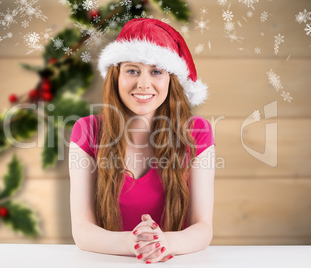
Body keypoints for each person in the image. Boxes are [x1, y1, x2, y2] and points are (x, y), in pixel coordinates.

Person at [69, 18, 215, 264]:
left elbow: (203, 228)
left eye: (156, 71)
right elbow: (82, 232)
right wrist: (134, 241)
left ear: (171, 79)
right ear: (116, 76)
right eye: (132, 70)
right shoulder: (87, 131)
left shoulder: (197, 132)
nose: (143, 84)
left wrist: (165, 243)